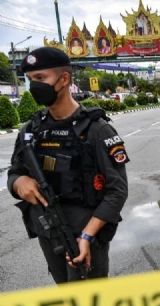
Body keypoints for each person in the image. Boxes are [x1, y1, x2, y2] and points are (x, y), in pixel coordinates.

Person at [7, 47, 129, 284]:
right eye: (30, 80)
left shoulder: (97, 130)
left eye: (41, 78)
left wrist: (87, 235)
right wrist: (18, 182)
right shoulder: (31, 130)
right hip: (49, 231)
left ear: (64, 79)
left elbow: (118, 191)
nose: (34, 86)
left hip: (86, 235)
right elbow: (14, 172)